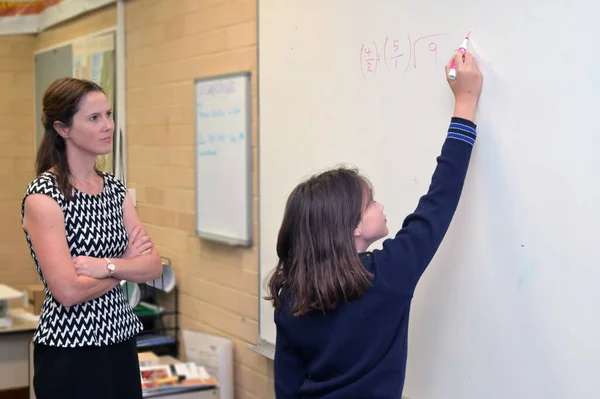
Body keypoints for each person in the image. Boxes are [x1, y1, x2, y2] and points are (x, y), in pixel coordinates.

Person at [266, 50, 484, 398]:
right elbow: (439, 200)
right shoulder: (387, 275)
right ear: (352, 227)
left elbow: (286, 388)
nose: (381, 206)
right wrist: (467, 101)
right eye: (370, 203)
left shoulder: (293, 295)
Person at [21, 77, 164, 399]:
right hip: (71, 350)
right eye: (94, 118)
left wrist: (105, 266)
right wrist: (127, 265)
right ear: (63, 129)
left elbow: (154, 266)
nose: (108, 126)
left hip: (121, 342)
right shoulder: (44, 197)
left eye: (109, 114)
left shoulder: (115, 189)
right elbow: (68, 292)